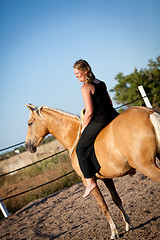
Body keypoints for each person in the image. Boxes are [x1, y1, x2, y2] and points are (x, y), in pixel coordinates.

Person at [73, 59, 119, 198]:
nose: (76, 76)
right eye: (74, 74)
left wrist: (84, 128)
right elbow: (110, 102)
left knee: (80, 148)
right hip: (112, 114)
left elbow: (90, 112)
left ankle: (90, 182)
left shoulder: (86, 87)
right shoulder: (101, 82)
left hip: (100, 119)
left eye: (77, 73)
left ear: (85, 70)